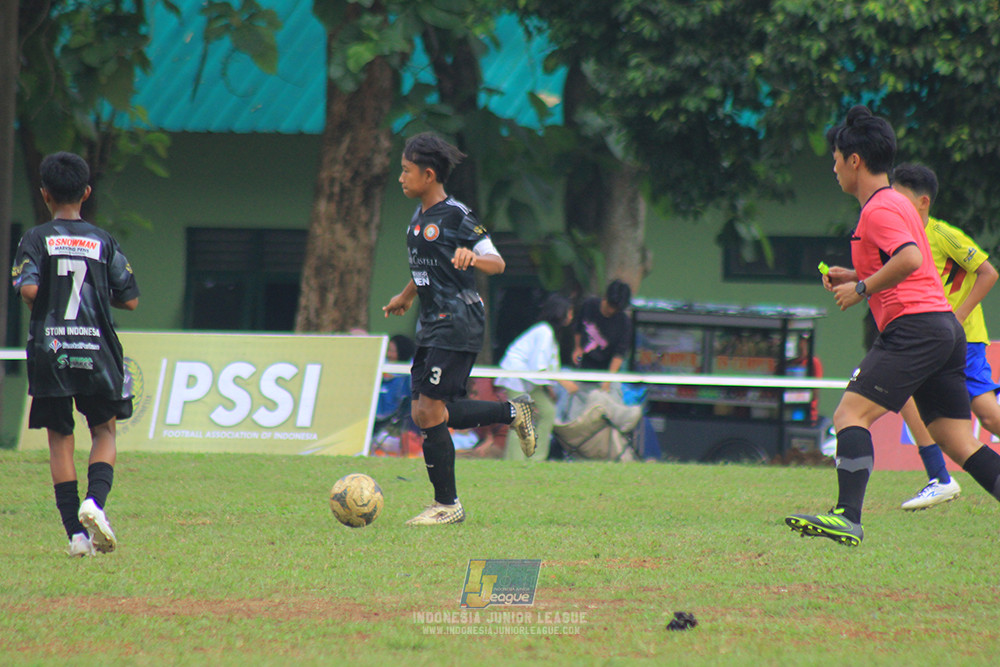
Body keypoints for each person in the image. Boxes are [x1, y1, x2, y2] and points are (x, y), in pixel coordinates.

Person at [785, 105, 1000, 547]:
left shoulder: (878, 211)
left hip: (915, 328)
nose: (834, 168)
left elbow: (910, 260)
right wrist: (854, 275)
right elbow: (906, 264)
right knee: (957, 439)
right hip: (943, 328)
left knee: (849, 414)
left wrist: (861, 288)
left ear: (855, 161)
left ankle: (847, 517)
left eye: (835, 159)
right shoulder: (898, 205)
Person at [382, 132, 536, 526]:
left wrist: (473, 256)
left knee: (431, 409)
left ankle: (447, 505)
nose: (400, 177)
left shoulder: (456, 215)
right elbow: (427, 269)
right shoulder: (419, 218)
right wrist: (406, 296)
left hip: (459, 320)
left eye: (406, 171)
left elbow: (496, 262)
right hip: (433, 323)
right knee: (426, 412)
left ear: (429, 174)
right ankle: (512, 411)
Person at [10, 152, 140, 557]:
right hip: (97, 348)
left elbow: (28, 289)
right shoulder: (103, 241)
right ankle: (94, 504)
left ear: (44, 193)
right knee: (103, 430)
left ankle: (76, 536)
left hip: (51, 350)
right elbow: (130, 299)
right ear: (86, 192)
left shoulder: (34, 239)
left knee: (59, 439)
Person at [889, 163, 1000, 510]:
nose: (894, 205)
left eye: (901, 199)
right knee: (902, 391)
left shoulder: (942, 234)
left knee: (988, 416)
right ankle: (939, 477)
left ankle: (940, 478)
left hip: (961, 339)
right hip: (931, 341)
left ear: (923, 202)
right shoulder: (903, 241)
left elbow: (987, 272)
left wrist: (958, 316)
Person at [496, 293, 579, 461]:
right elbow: (539, 367)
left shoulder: (550, 333)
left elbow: (545, 367)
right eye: (569, 312)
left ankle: (537, 459)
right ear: (560, 312)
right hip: (516, 378)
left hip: (529, 381)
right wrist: (564, 383)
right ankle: (513, 462)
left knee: (548, 411)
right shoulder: (544, 331)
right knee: (521, 420)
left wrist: (550, 388)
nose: (571, 316)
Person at [572, 279, 633, 391]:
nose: (611, 310)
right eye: (610, 305)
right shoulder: (589, 305)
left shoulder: (624, 322)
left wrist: (608, 380)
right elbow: (578, 329)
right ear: (605, 297)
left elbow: (619, 354)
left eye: (616, 309)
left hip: (607, 368)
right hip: (584, 366)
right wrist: (578, 348)